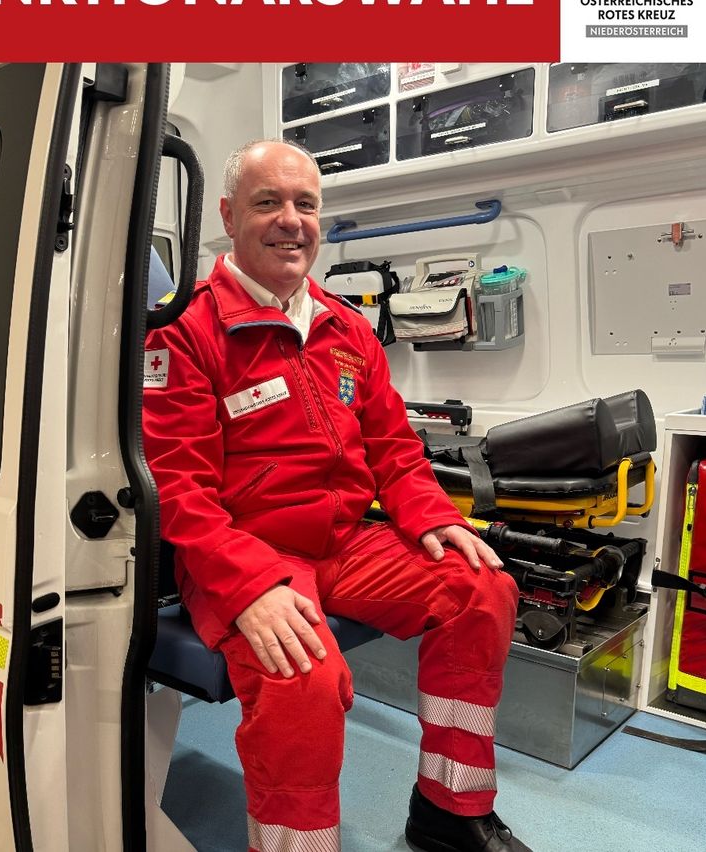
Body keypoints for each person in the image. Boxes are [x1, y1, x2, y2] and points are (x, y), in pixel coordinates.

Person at [142, 139, 531, 852]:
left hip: (347, 542)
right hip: (245, 556)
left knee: (482, 588)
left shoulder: (348, 327)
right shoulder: (186, 332)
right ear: (228, 215)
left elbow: (393, 449)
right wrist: (250, 585)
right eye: (268, 203)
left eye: (305, 205)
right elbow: (179, 489)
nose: (291, 221)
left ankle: (450, 809)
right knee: (304, 676)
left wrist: (432, 517)